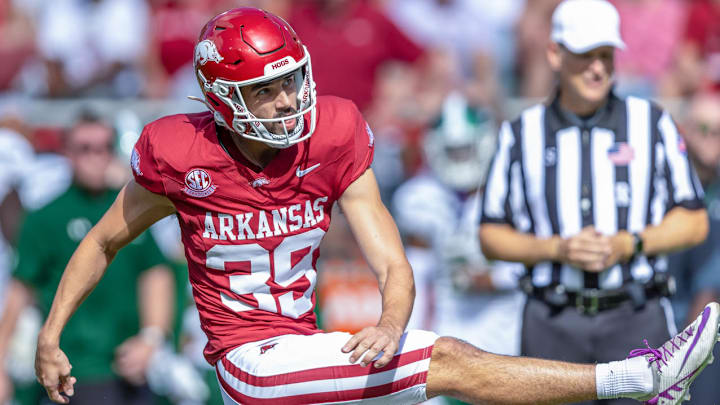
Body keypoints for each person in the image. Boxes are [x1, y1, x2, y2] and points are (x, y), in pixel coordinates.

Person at [33, 7, 720, 405]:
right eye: (267, 91)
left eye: (292, 79)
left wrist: (392, 321)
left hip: (306, 342)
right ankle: (642, 375)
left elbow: (391, 260)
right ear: (221, 99)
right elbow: (102, 241)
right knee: (449, 359)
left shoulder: (331, 132)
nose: (287, 101)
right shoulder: (176, 150)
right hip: (248, 359)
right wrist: (49, 332)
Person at [480, 1, 710, 404]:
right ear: (555, 54)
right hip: (551, 319)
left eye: (605, 55)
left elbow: (693, 220)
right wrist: (556, 249)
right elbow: (490, 234)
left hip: (635, 318)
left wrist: (628, 244)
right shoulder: (520, 133)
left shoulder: (651, 123)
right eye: (585, 55)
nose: (597, 68)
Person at [0, 111, 175, 405]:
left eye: (104, 147)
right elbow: (20, 291)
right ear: (66, 153)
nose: (96, 156)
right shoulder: (46, 217)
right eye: (85, 148)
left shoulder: (130, 207)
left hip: (132, 369)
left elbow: (155, 272)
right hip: (77, 370)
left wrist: (151, 337)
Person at [392, 92, 524, 353]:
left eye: (466, 150)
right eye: (453, 151)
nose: (461, 159)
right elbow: (417, 271)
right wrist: (404, 333)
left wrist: (494, 279)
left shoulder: (516, 192)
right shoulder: (420, 197)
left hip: (508, 330)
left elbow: (541, 265)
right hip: (448, 329)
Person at [667, 92, 720, 404]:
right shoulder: (663, 185)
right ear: (684, 132)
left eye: (719, 132)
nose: (712, 139)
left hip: (707, 327)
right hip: (662, 316)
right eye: (704, 129)